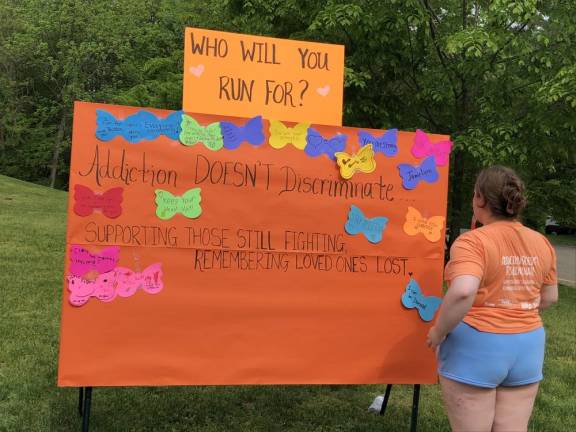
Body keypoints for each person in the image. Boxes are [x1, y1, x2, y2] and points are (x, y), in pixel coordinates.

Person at [426, 165, 558, 432]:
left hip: (477, 343)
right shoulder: (541, 241)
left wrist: (438, 332)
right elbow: (550, 297)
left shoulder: (472, 242)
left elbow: (463, 291)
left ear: (480, 199)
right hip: (528, 346)